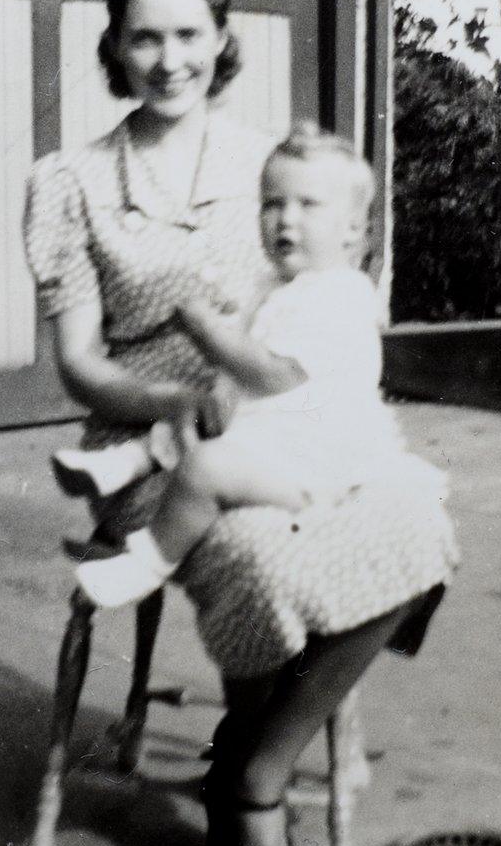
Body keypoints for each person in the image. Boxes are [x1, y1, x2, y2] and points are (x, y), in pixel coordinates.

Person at [23, 0, 457, 846]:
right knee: (260, 558)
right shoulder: (71, 182)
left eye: (187, 35)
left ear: (220, 41)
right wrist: (172, 407)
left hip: (291, 422)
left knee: (417, 527)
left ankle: (250, 761)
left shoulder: (280, 169)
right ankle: (256, 803)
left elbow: (327, 317)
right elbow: (80, 364)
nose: (167, 59)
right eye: (145, 37)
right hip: (162, 450)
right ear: (115, 46)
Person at [51, 123, 449, 612]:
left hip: (312, 468)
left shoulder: (341, 294)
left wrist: (208, 332)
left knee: (205, 465)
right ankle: (118, 465)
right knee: (195, 416)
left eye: (308, 205)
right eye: (272, 203)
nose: (286, 220)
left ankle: (145, 564)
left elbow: (274, 374)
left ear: (352, 228)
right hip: (268, 436)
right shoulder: (274, 284)